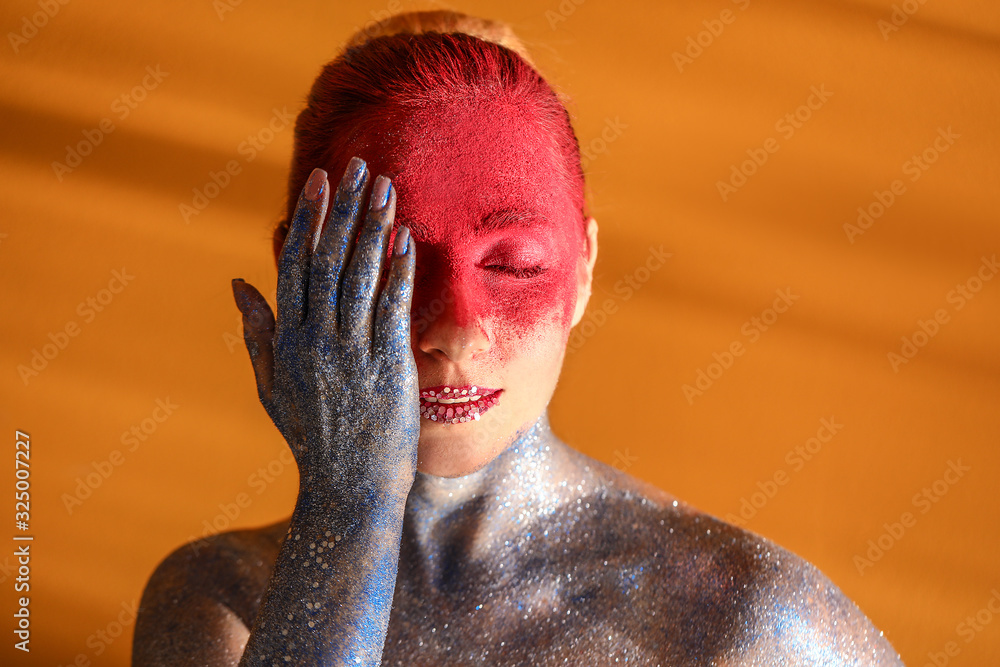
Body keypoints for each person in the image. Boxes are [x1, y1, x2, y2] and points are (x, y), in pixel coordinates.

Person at [132, 10, 905, 666]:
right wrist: (350, 507)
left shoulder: (749, 626)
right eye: (392, 263)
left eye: (513, 264)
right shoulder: (220, 602)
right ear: (299, 274)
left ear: (583, 272)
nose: (458, 326)